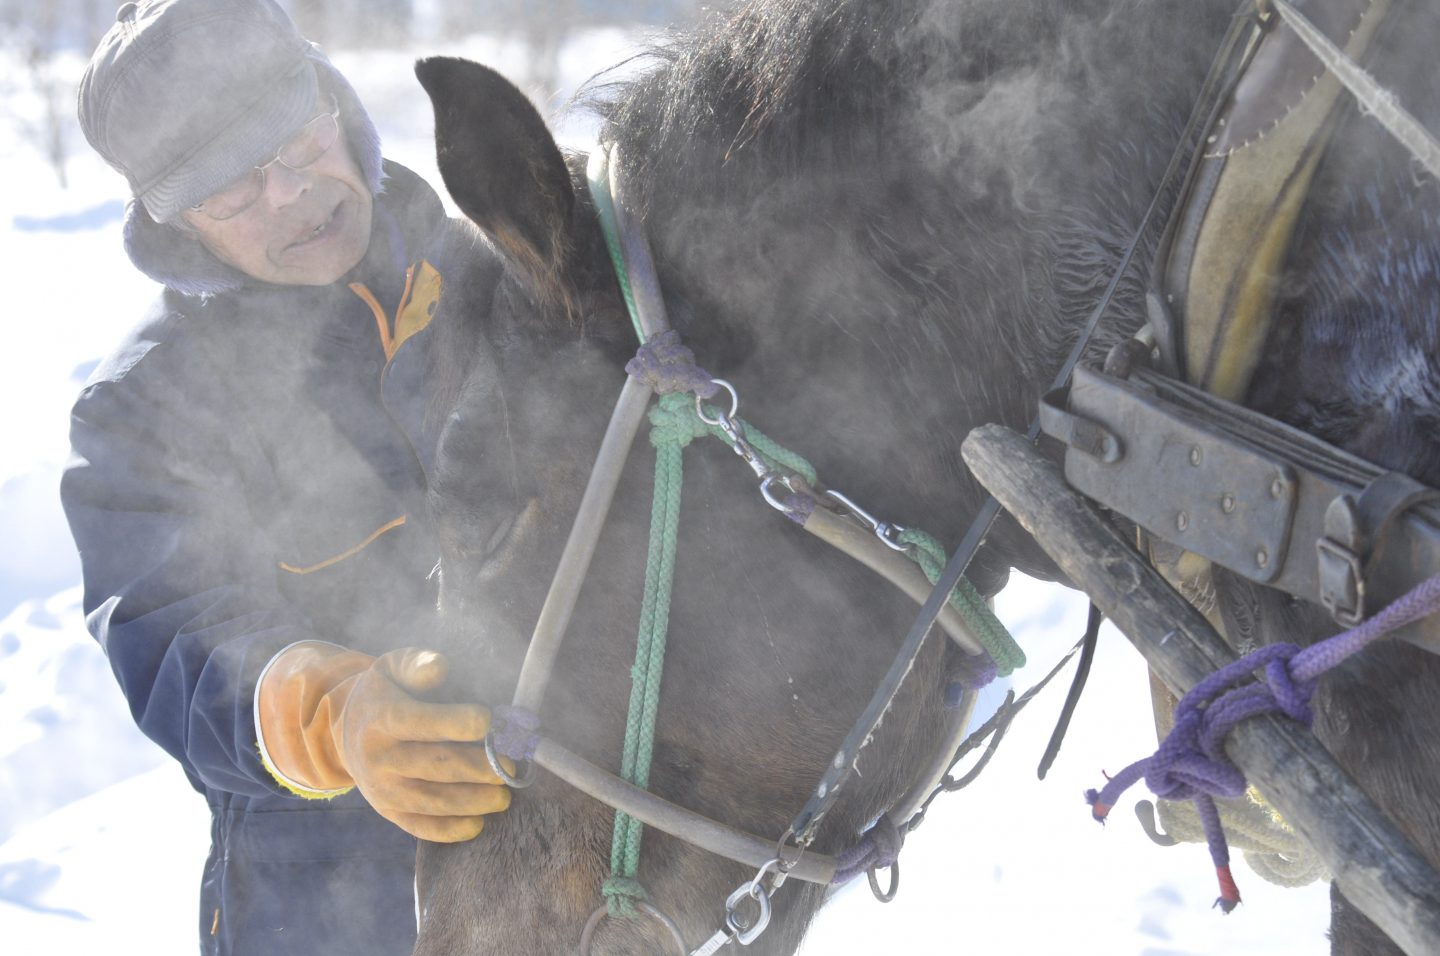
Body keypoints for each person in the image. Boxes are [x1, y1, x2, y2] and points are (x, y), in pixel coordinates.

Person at [60, 1, 512, 952]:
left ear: (336, 104)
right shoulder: (146, 406)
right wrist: (336, 718)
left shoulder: (499, 270)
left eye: (295, 141)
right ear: (174, 222)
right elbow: (173, 632)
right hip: (327, 906)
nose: (288, 196)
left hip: (578, 860)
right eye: (229, 191)